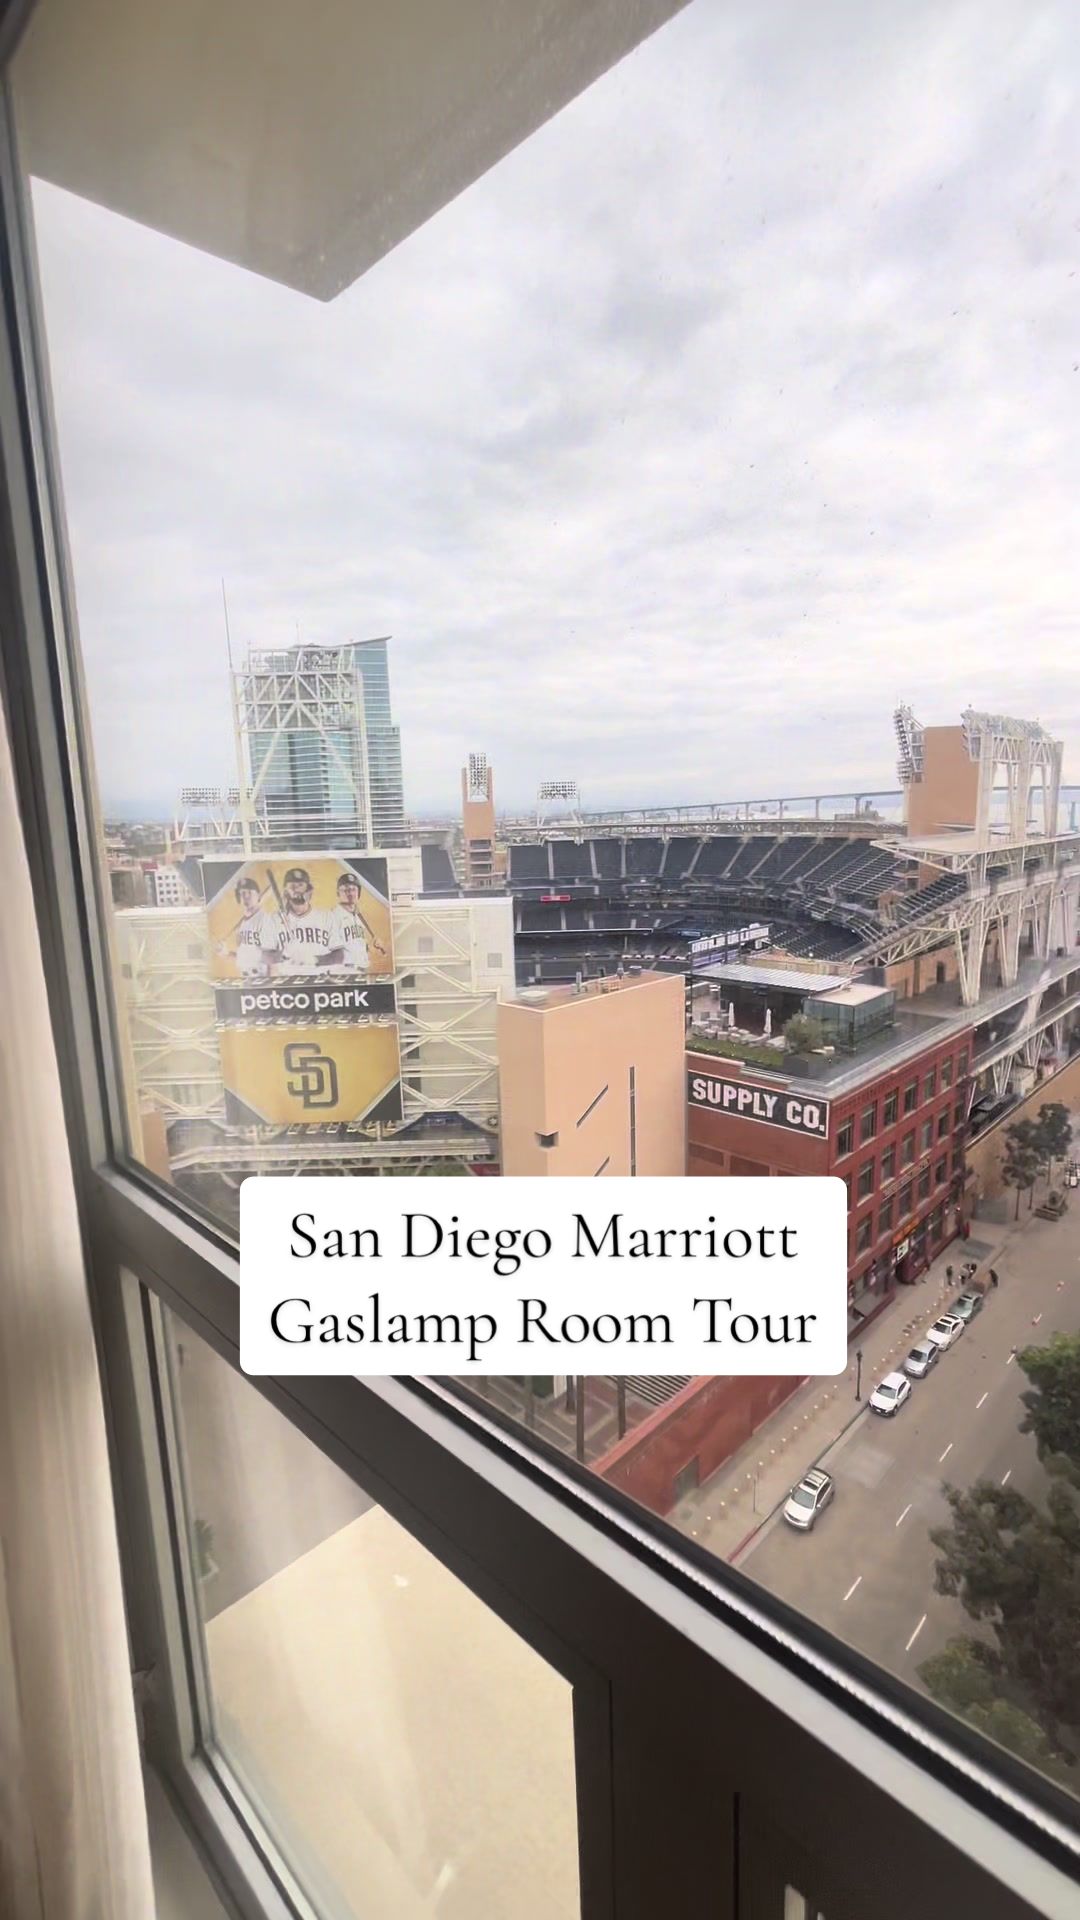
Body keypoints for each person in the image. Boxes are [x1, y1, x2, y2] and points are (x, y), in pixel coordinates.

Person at [270, 866, 343, 973]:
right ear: (285, 891)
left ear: (309, 889)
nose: (296, 889)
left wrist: (313, 960)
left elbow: (339, 955)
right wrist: (283, 956)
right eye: (292, 886)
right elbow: (264, 955)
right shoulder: (274, 919)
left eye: (300, 885)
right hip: (288, 981)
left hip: (321, 980)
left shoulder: (326, 917)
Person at [223, 873, 278, 975]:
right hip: (246, 980)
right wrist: (226, 953)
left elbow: (273, 959)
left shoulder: (265, 920)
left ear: (258, 895)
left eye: (249, 892)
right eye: (242, 893)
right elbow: (243, 958)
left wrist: (270, 987)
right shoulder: (241, 926)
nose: (246, 896)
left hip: (262, 980)